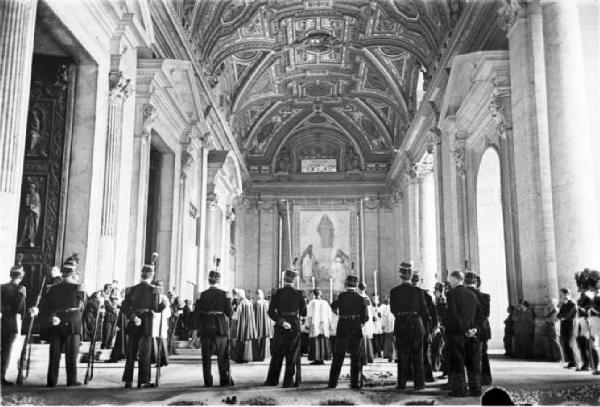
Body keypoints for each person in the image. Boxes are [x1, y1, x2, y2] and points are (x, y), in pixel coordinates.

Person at [40, 255, 86, 387]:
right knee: (71, 354)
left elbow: (45, 307)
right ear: (73, 273)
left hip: (56, 321)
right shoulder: (79, 287)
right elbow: (83, 306)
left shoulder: (51, 288)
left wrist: (51, 318)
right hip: (73, 322)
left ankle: (51, 380)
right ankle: (71, 380)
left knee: (54, 353)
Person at [121, 259, 165, 388]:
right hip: (146, 323)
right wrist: (164, 305)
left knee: (131, 352)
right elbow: (156, 308)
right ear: (151, 276)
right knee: (145, 353)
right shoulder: (154, 290)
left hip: (133, 323)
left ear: (141, 275)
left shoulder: (131, 290)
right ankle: (143, 380)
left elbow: (124, 307)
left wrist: (133, 316)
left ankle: (128, 380)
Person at [264, 268, 307, 387]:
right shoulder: (299, 293)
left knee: (277, 354)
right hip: (294, 325)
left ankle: (272, 380)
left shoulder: (277, 293)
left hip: (280, 325)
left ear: (283, 279)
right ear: (295, 280)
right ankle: (289, 381)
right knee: (292, 354)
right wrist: (304, 301)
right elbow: (304, 313)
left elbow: (271, 312)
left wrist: (281, 321)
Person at [192, 267, 233, 387]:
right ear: (219, 281)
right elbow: (230, 313)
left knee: (206, 357)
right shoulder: (224, 295)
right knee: (223, 356)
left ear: (208, 280)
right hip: (220, 327)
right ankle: (224, 380)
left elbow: (196, 314)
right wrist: (229, 300)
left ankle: (208, 382)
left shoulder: (202, 295)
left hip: (206, 327)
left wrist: (195, 330)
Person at [390, 262, 428, 391]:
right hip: (416, 324)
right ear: (411, 275)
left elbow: (393, 310)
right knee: (418, 356)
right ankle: (419, 384)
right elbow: (424, 311)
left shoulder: (394, 291)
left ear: (400, 275)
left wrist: (402, 316)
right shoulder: (418, 291)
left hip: (401, 324)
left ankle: (401, 384)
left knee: (402, 356)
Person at [445, 270, 483, 397]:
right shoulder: (473, 295)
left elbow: (454, 315)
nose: (449, 281)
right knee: (473, 364)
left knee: (457, 363)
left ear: (454, 279)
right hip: (473, 335)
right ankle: (476, 389)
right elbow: (479, 316)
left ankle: (459, 390)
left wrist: (464, 330)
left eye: (450, 279)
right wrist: (474, 329)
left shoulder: (451, 294)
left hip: (457, 335)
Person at [328, 274, 368, 389]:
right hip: (355, 327)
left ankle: (332, 383)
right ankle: (354, 383)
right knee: (355, 356)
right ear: (356, 285)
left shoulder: (341, 296)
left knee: (338, 356)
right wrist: (360, 322)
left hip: (343, 326)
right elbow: (365, 317)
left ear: (346, 284)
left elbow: (333, 307)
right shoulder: (361, 298)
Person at [1, 256, 37, 385]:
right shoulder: (20, 289)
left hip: (2, 320)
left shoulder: (2, 287)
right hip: (12, 322)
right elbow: (20, 309)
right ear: (21, 277)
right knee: (7, 350)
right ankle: (2, 376)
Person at [465, 272, 491, 386]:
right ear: (476, 282)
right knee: (483, 355)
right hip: (482, 330)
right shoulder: (485, 296)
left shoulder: (464, 295)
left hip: (467, 328)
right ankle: (485, 378)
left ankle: (472, 381)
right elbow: (486, 315)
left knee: (469, 356)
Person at [411, 273, 437, 383]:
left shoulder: (408, 294)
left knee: (412, 352)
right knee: (425, 352)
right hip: (425, 327)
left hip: (411, 327)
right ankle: (427, 376)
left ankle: (412, 375)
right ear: (420, 281)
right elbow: (432, 314)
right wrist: (433, 328)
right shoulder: (427, 296)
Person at [305, 288, 332, 365]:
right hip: (324, 323)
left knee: (315, 340)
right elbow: (329, 315)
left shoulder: (312, 302)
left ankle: (317, 359)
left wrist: (307, 324)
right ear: (321, 293)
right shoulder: (325, 303)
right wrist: (330, 324)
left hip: (315, 323)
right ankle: (322, 358)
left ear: (314, 294)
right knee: (322, 340)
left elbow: (309, 315)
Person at [233, 289, 257, 363]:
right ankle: (246, 357)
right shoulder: (249, 302)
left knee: (241, 340)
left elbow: (237, 315)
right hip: (249, 324)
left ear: (240, 295)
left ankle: (240, 358)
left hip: (242, 323)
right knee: (247, 341)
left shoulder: (242, 303)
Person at [557, 288, 580, 369]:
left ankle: (575, 362)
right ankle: (571, 362)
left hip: (571, 325)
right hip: (564, 325)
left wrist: (562, 317)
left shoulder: (572, 303)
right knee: (566, 344)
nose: (561, 296)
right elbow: (559, 315)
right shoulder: (564, 304)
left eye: (561, 294)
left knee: (570, 344)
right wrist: (562, 317)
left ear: (566, 294)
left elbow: (567, 315)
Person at [152, 281, 171, 367]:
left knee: (162, 340)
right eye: (158, 286)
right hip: (154, 321)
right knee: (155, 340)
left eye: (161, 287)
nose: (160, 288)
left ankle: (164, 360)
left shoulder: (164, 298)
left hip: (161, 321)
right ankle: (156, 360)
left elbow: (168, 313)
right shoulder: (152, 297)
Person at [253, 289, 273, 362]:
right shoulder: (266, 303)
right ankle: (266, 355)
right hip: (266, 324)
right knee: (265, 339)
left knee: (259, 339)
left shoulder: (256, 303)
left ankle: (258, 356)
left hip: (258, 324)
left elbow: (253, 314)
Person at [431, 282, 446, 373]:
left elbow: (441, 315)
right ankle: (437, 366)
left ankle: (438, 366)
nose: (434, 292)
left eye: (435, 290)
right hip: (439, 326)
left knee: (438, 348)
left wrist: (438, 326)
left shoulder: (442, 300)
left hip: (441, 327)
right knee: (437, 347)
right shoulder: (438, 299)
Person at [358, 282, 374, 365]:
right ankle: (369, 357)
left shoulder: (359, 297)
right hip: (367, 321)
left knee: (362, 339)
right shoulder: (367, 297)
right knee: (366, 338)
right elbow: (370, 310)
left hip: (362, 320)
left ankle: (363, 358)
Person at [544, 298, 563, 362]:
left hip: (554, 328)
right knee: (550, 343)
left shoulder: (556, 310)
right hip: (550, 328)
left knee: (556, 343)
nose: (548, 304)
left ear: (553, 303)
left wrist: (547, 320)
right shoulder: (551, 310)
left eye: (549, 302)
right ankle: (552, 357)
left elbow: (552, 319)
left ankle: (559, 358)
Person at [379, 298, 395, 362]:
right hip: (389, 327)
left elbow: (385, 317)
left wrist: (383, 325)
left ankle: (390, 356)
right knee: (389, 341)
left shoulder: (389, 308)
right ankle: (389, 355)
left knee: (390, 342)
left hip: (390, 327)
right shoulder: (385, 307)